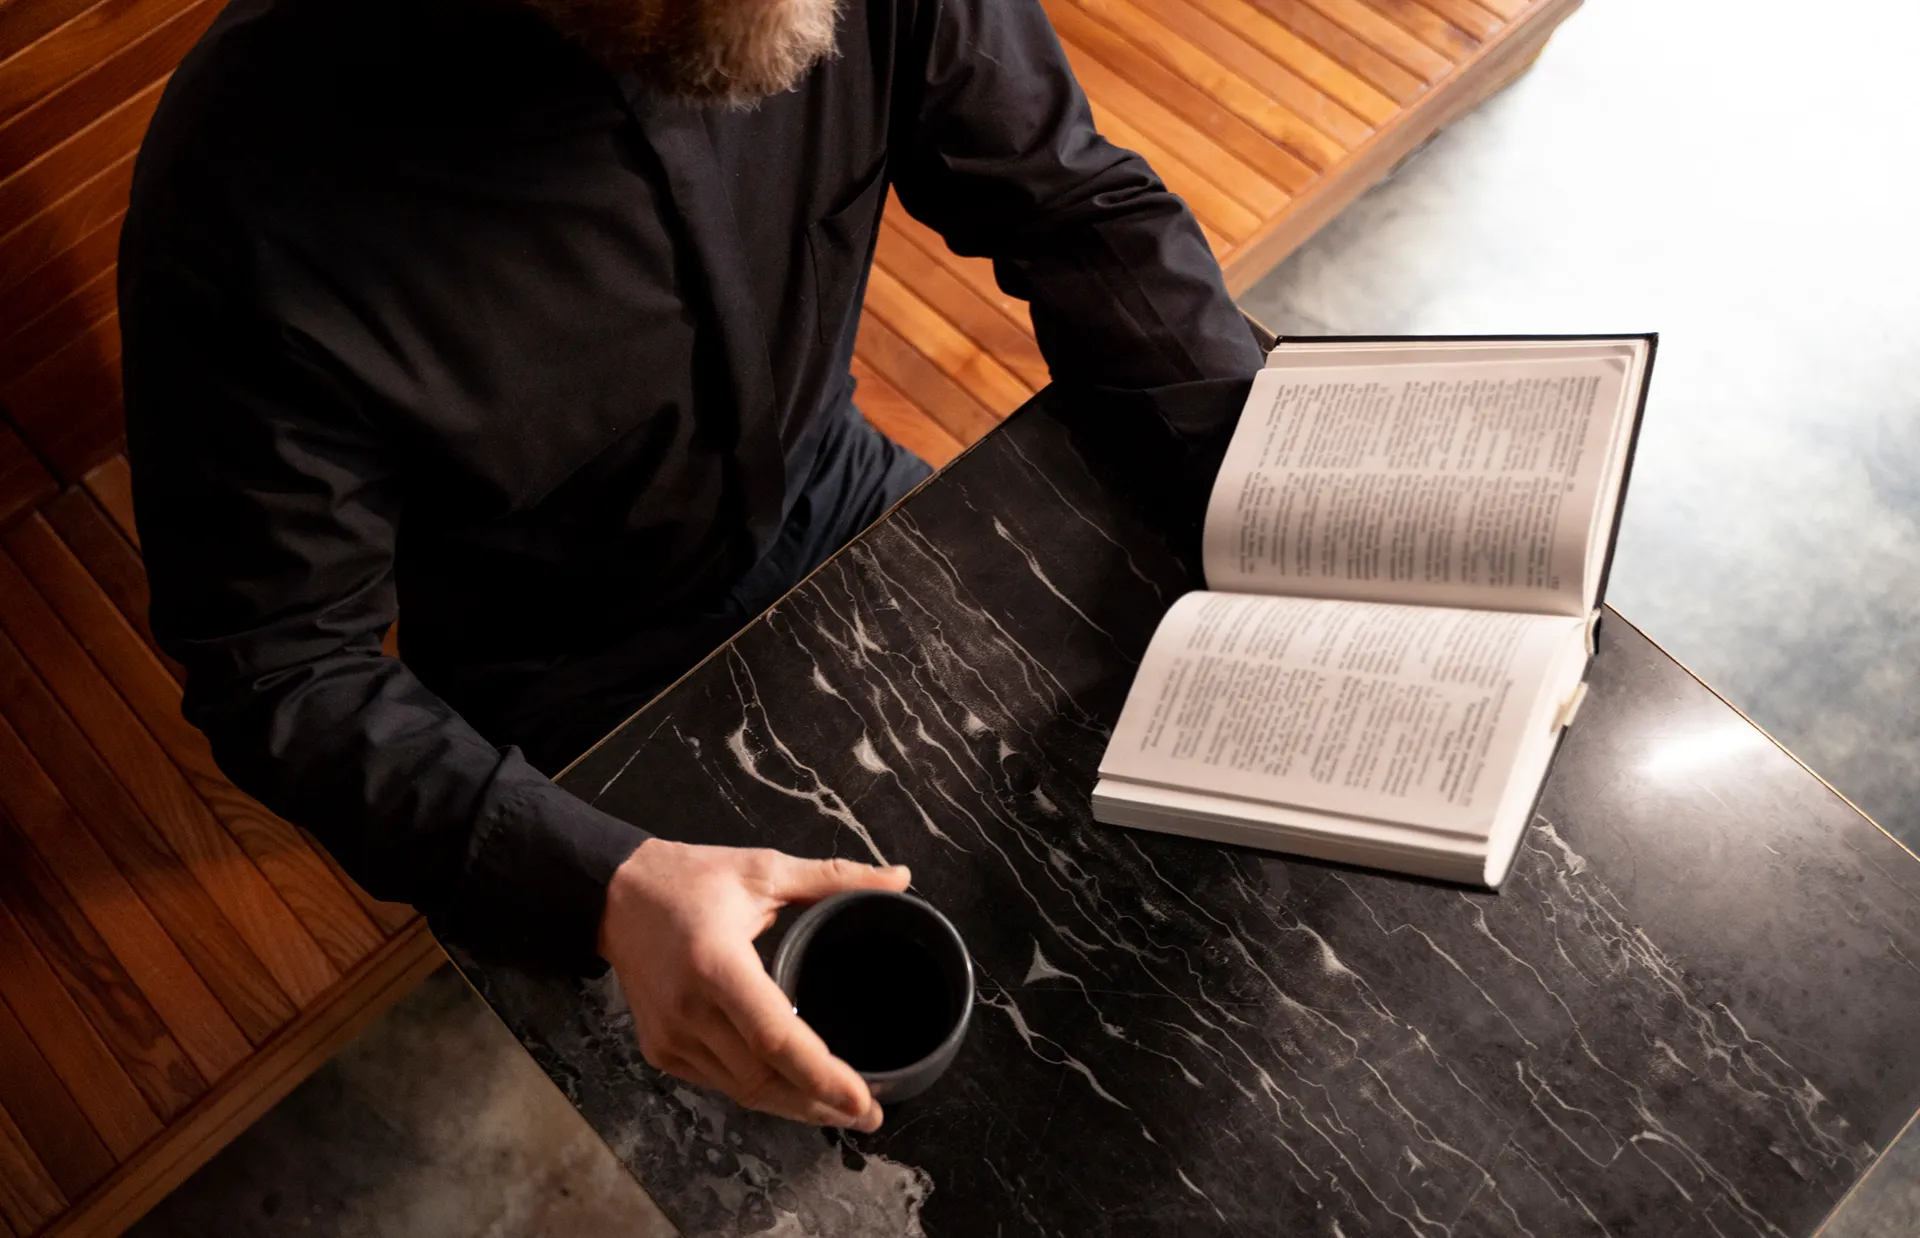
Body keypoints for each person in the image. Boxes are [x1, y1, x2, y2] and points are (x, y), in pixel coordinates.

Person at [120, 0, 1260, 1134]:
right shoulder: (251, 182)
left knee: (1176, 906)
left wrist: (1270, 488)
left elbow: (1072, 202)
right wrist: (601, 886)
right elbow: (280, 666)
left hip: (839, 493)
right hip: (564, 690)